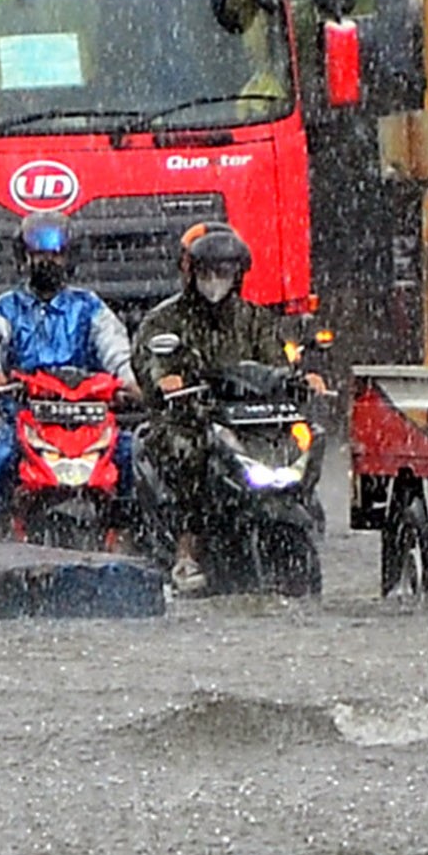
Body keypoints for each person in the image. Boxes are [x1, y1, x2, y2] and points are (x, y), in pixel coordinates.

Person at [129, 224, 302, 589]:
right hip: (187, 420)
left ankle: (300, 521)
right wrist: (165, 380)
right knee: (193, 454)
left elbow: (276, 365)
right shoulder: (165, 319)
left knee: (300, 442)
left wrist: (298, 380)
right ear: (191, 273)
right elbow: (149, 360)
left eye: (223, 272)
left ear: (237, 274)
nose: (215, 281)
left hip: (248, 423)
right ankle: (186, 552)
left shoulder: (254, 319)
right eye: (207, 272)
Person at [0, 213, 134, 523]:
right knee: (1, 456)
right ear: (24, 257)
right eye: (39, 253)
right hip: (26, 417)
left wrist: (130, 381)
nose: (48, 261)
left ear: (69, 257)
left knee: (131, 454)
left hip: (89, 418)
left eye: (56, 254)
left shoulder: (90, 306)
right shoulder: (4, 307)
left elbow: (116, 348)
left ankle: (129, 528)